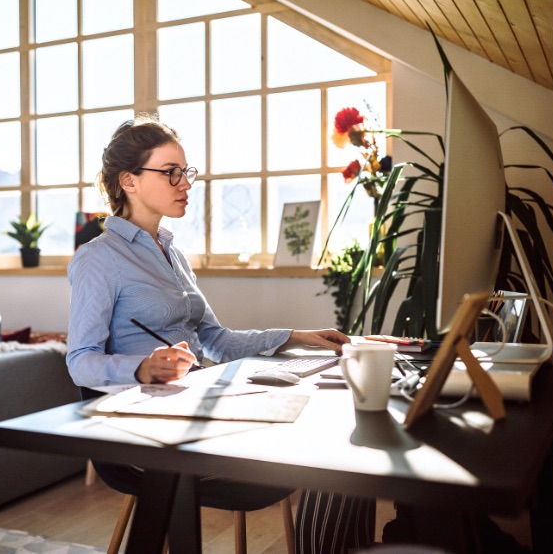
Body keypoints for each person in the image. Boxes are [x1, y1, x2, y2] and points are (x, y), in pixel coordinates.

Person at [66, 114, 373, 552]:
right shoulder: (97, 259)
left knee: (339, 435)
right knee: (328, 450)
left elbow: (216, 340)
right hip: (143, 435)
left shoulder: (173, 254)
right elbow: (80, 361)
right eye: (170, 172)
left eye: (185, 172)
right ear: (128, 181)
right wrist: (142, 367)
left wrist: (297, 336)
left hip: (194, 409)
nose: (185, 183)